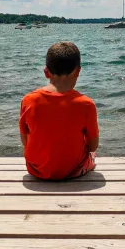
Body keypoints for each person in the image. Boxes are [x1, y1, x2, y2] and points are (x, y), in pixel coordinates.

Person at [19, 41, 99, 180]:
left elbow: (25, 141)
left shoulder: (28, 100)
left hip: (36, 170)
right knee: (92, 155)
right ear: (78, 71)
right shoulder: (86, 104)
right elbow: (93, 146)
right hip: (72, 171)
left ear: (46, 72)